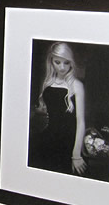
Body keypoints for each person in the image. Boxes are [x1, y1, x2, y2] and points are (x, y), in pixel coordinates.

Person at [29, 41, 87, 176]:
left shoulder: (77, 85)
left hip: (67, 142)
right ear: (51, 61)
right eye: (57, 62)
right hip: (48, 138)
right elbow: (50, 112)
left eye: (66, 62)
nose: (62, 67)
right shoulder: (48, 83)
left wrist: (76, 154)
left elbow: (81, 121)